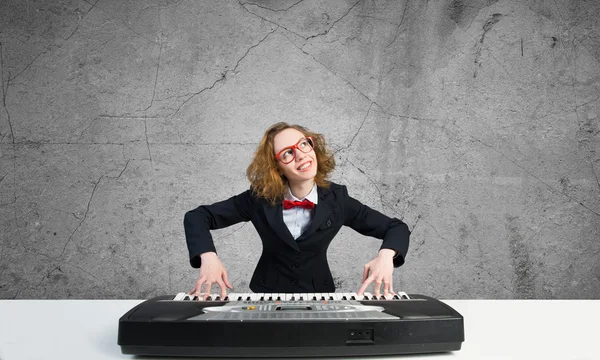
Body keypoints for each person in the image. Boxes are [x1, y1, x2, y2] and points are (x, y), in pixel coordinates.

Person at [184, 122, 410, 300]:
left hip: (320, 295)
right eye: (287, 153)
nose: (301, 155)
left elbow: (396, 228)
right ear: (276, 167)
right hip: (266, 295)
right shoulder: (258, 199)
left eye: (304, 144)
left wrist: (386, 255)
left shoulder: (338, 200)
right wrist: (208, 255)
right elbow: (197, 217)